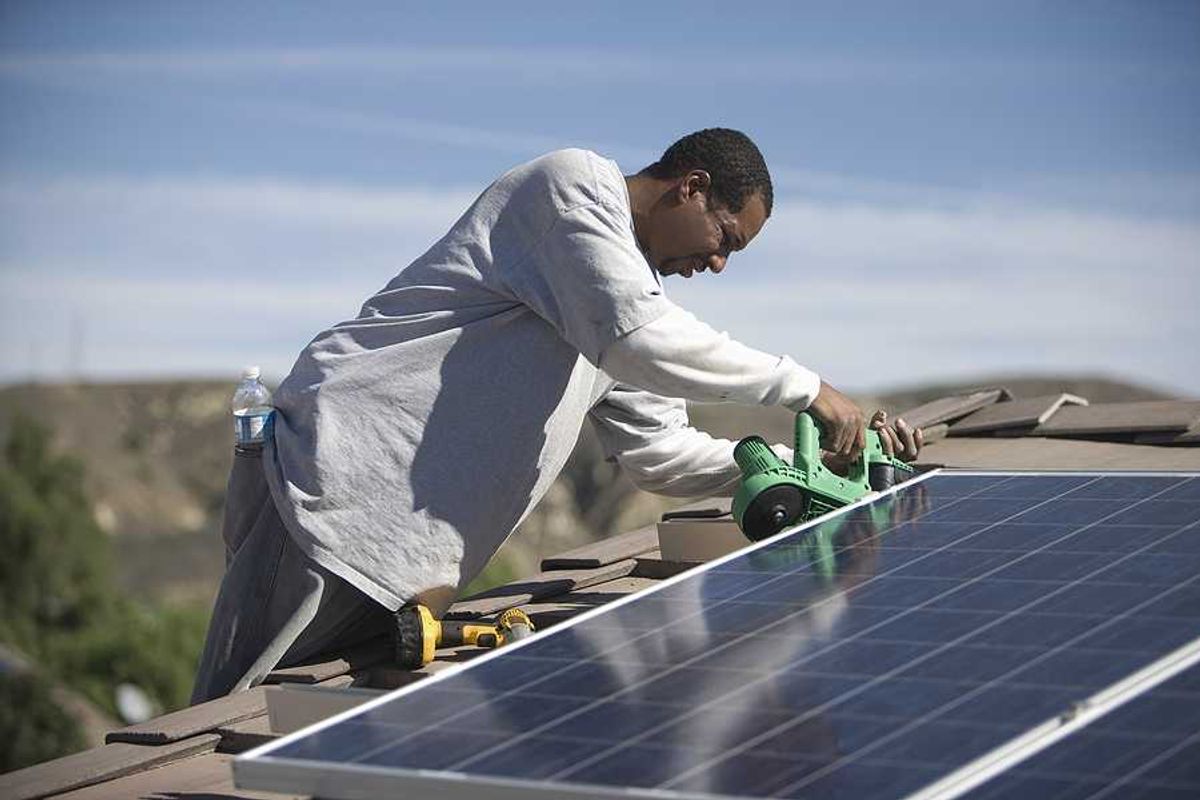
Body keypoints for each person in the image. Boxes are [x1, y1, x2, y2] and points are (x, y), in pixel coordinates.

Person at [191, 128, 921, 703]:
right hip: (333, 502)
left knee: (291, 740)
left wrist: (797, 472)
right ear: (690, 189)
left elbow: (658, 452)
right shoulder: (571, 193)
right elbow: (640, 344)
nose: (720, 264)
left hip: (403, 566)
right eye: (726, 239)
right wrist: (803, 386)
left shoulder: (623, 298)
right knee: (234, 722)